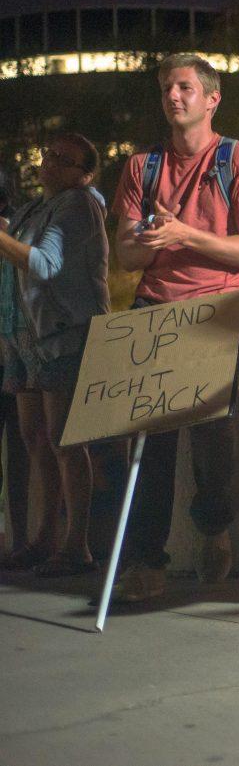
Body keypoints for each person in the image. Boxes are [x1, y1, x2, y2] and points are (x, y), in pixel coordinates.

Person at [111, 53, 239, 602]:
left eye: (184, 87)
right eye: (165, 89)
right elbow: (127, 254)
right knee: (147, 440)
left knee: (209, 435)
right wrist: (148, 241)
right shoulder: (141, 167)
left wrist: (185, 236)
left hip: (216, 312)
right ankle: (146, 562)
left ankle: (212, 524)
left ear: (212, 98)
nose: (173, 97)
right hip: (153, 310)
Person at [0, 134, 108, 576]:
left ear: (84, 174)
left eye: (64, 160)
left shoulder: (78, 205)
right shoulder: (33, 209)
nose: (50, 161)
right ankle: (45, 538)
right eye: (49, 154)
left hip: (62, 336)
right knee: (35, 439)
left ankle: (76, 545)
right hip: (25, 338)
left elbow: (44, 265)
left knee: (65, 440)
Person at [0, 172, 31, 570]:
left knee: (26, 449)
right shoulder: (22, 227)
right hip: (18, 349)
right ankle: (20, 538)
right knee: (23, 451)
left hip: (16, 350)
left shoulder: (16, 230)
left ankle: (21, 538)